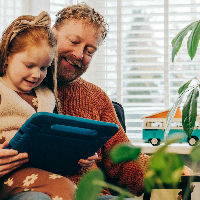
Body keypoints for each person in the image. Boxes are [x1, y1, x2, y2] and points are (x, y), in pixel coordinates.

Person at [52, 3, 149, 199]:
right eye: (73, 41)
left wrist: (165, 169)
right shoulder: (16, 84)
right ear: (52, 33)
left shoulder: (95, 97)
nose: (79, 55)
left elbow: (124, 161)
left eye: (90, 51)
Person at [0, 11, 76, 200]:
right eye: (29, 65)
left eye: (44, 68)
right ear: (8, 56)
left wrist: (78, 155)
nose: (36, 75)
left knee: (69, 189)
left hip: (42, 171)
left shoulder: (47, 96)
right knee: (67, 190)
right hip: (6, 176)